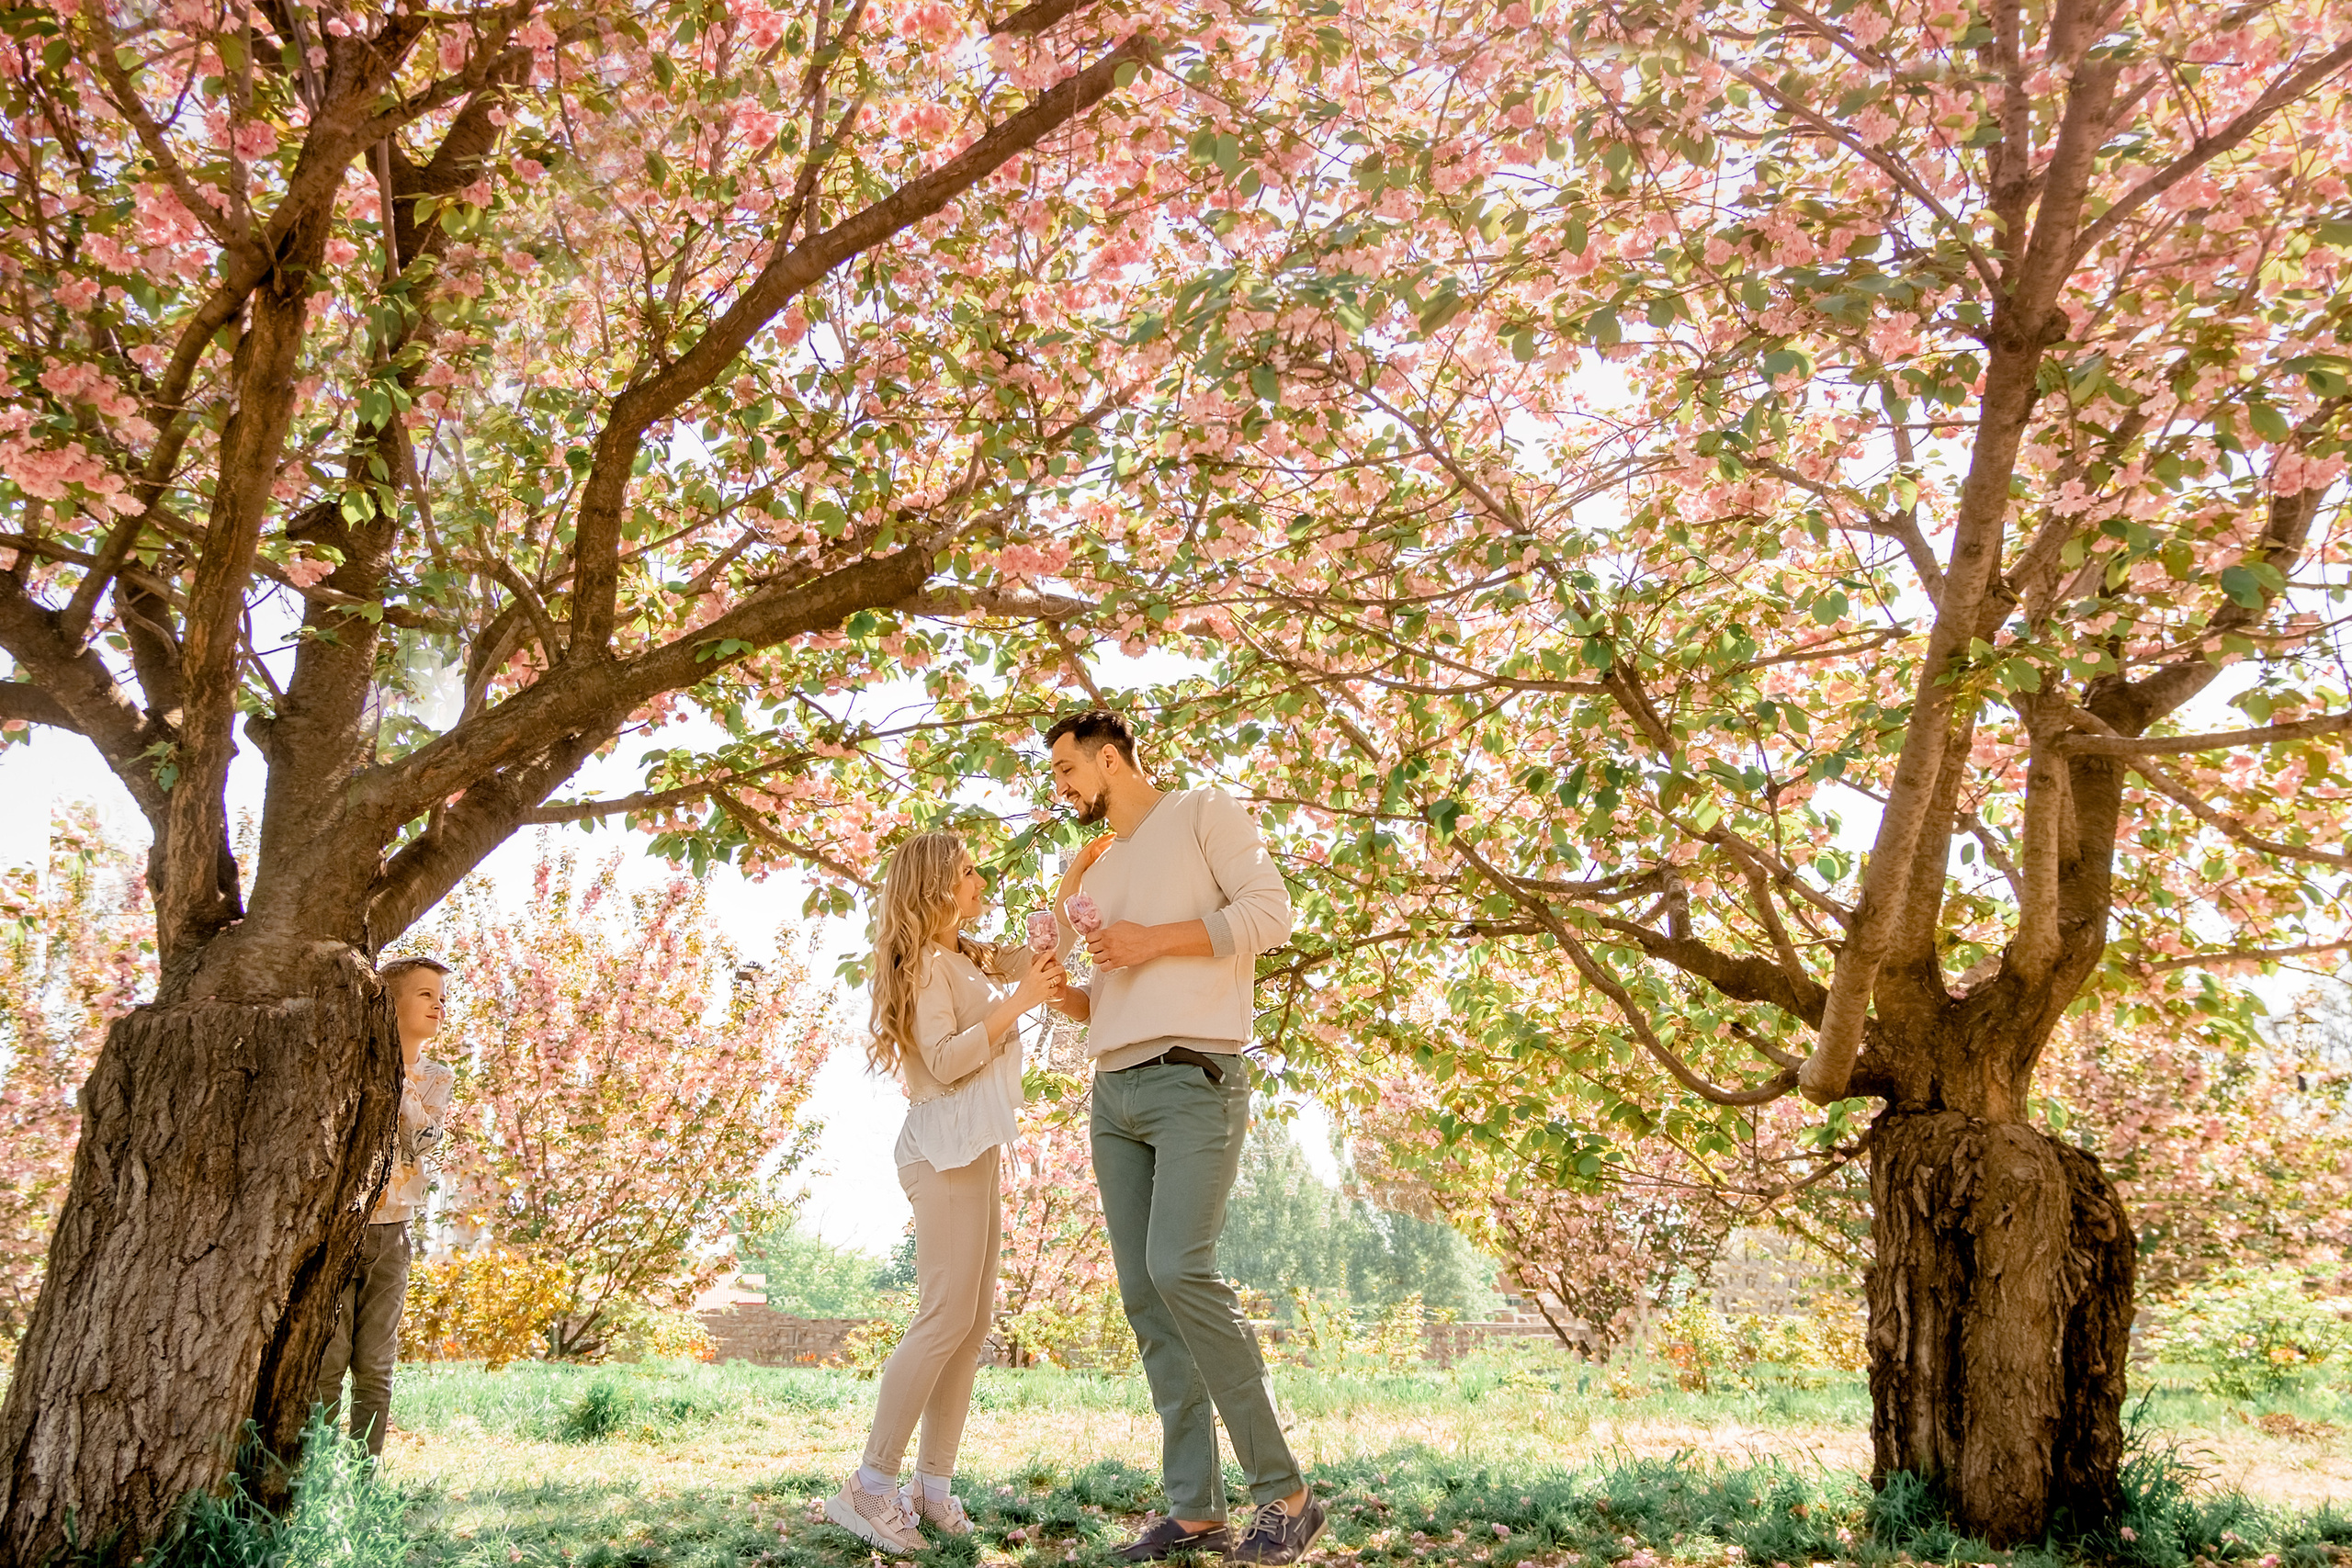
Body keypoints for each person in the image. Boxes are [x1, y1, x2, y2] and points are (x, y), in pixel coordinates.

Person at [1045, 710, 1326, 1565]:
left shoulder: (1204, 811)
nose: (1059, 785)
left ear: (1111, 756)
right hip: (1113, 1089)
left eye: (1065, 768)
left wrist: (1148, 939)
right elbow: (1116, 989)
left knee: (1180, 1269)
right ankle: (1194, 1508)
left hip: (1193, 1079)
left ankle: (1286, 1493)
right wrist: (1071, 995)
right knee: (1142, 1292)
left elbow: (1271, 914)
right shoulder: (1103, 861)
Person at [826, 831, 1067, 1555]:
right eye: (967, 871)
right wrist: (1018, 1001)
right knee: (942, 1317)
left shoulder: (967, 953)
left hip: (974, 1148)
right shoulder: (928, 965)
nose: (980, 879)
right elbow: (944, 1059)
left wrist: (1062, 902)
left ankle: (931, 1487)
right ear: (935, 886)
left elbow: (1040, 966)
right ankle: (870, 1485)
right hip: (942, 1149)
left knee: (969, 1322)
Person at [313, 953, 456, 1458]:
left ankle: (363, 1477)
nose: (439, 1006)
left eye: (443, 998)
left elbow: (422, 1143)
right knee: (326, 1362)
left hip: (393, 1233)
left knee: (375, 1363)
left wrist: (393, 1076)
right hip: (340, 1232)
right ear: (389, 1003)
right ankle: (322, 1478)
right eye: (425, 995)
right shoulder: (349, 1067)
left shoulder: (438, 1078)